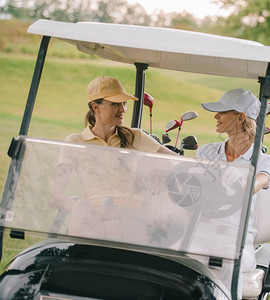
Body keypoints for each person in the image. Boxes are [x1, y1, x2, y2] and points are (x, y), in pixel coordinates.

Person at [49, 76, 181, 244]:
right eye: (115, 104)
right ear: (95, 107)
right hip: (92, 220)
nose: (122, 109)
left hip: (132, 219)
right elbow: (55, 195)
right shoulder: (75, 142)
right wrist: (81, 209)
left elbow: (178, 162)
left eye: (124, 103)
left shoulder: (135, 137)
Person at [195, 88, 270, 299]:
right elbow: (195, 187)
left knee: (228, 259)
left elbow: (260, 181)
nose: (216, 116)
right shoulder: (207, 152)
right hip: (202, 234)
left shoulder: (262, 161)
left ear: (240, 117)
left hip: (237, 241)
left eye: (222, 112)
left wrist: (243, 182)